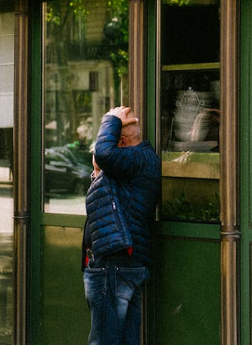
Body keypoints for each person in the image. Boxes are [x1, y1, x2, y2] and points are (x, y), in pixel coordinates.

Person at [81, 106, 160, 345]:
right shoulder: (136, 163)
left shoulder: (137, 158)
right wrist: (96, 174)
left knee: (104, 340)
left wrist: (110, 119)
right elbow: (107, 196)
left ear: (121, 141)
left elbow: (103, 153)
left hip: (115, 265)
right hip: (124, 263)